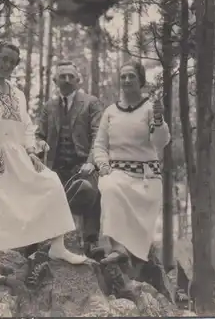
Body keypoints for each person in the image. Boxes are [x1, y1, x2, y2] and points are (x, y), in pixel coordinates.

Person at [0, 43, 88, 284]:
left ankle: (57, 246)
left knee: (50, 182)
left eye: (12, 61)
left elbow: (27, 126)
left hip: (17, 153)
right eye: (3, 59)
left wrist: (31, 152)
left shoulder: (18, 94)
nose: (7, 65)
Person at [92, 60, 171, 272]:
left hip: (145, 178)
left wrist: (158, 118)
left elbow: (160, 142)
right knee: (108, 187)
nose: (127, 80)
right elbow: (99, 145)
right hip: (117, 174)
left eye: (132, 76)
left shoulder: (149, 108)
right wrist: (103, 165)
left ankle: (136, 259)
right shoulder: (110, 112)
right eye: (124, 76)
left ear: (141, 81)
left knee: (137, 215)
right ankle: (117, 249)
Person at [32, 60, 104, 258]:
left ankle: (91, 241)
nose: (66, 80)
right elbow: (39, 134)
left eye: (70, 76)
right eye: (62, 76)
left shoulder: (91, 103)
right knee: (39, 192)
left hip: (83, 165)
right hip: (56, 167)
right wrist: (39, 146)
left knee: (92, 190)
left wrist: (91, 161)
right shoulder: (49, 107)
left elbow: (99, 135)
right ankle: (38, 243)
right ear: (55, 80)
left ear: (78, 80)